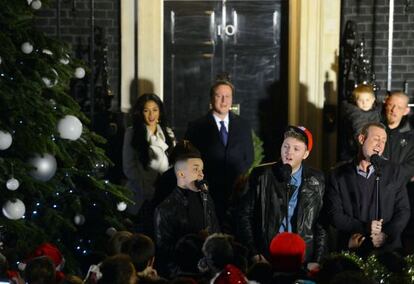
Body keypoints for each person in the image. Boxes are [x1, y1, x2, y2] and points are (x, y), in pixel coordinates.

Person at [238, 126, 326, 266]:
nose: (289, 152)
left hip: (302, 259)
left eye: (296, 149)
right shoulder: (261, 175)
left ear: (305, 154)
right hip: (267, 257)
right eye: (286, 146)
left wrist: (317, 260)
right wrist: (254, 253)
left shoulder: (317, 179)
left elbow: (321, 224)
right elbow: (244, 215)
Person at [325, 122, 410, 254]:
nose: (380, 144)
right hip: (353, 249)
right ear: (361, 139)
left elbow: (403, 210)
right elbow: (334, 214)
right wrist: (363, 227)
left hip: (387, 251)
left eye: (383, 141)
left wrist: (386, 235)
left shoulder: (394, 171)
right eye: (376, 139)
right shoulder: (338, 175)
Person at [185, 76, 254, 229]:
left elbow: (249, 157)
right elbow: (189, 159)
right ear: (211, 98)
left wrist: (239, 182)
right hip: (208, 192)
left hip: (236, 193)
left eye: (227, 96)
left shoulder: (244, 125)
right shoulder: (196, 127)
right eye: (219, 96)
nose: (223, 101)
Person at [154, 145, 220, 277]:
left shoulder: (205, 198)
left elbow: (216, 228)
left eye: (202, 170)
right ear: (181, 174)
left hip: (209, 272)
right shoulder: (166, 208)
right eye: (196, 169)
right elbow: (165, 252)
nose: (201, 174)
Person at [123, 93, 175, 224]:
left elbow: (174, 162)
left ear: (160, 112)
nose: (151, 115)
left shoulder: (168, 133)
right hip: (139, 195)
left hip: (164, 193)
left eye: (155, 110)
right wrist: (147, 189)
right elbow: (129, 167)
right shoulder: (132, 133)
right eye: (146, 110)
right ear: (140, 113)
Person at [339, 84, 382, 161]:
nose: (364, 103)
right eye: (360, 100)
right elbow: (359, 130)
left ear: (373, 100)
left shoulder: (376, 112)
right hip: (356, 150)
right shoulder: (355, 114)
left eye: (367, 100)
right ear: (356, 101)